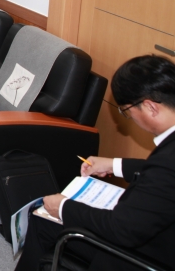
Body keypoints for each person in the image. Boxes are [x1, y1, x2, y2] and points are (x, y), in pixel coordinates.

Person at [16, 55, 175, 271]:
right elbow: (164, 177)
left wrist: (63, 207)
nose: (132, 119)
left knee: (44, 219)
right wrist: (114, 165)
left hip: (147, 254)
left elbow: (121, 229)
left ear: (150, 107)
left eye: (127, 112)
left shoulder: (167, 161)